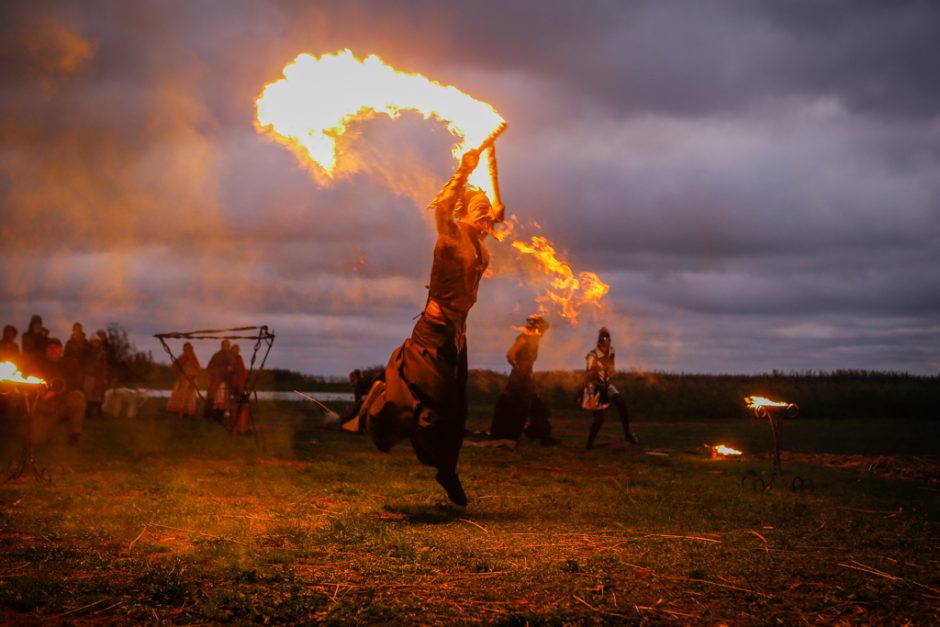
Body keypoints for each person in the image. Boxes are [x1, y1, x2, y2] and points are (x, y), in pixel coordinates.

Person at [358, 148, 502, 506]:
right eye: (479, 210)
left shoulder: (481, 243)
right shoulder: (450, 239)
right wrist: (464, 169)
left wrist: (490, 178)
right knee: (430, 410)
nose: (488, 217)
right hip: (433, 334)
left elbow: (494, 213)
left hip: (456, 338)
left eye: (488, 212)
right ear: (465, 213)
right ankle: (382, 404)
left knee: (456, 414)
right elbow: (442, 210)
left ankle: (447, 472)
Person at [489, 315, 559, 446]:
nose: (543, 333)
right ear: (535, 327)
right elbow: (510, 354)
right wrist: (518, 368)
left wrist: (528, 373)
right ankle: (538, 436)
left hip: (526, 377)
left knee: (535, 407)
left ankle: (541, 435)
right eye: (541, 329)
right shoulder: (523, 338)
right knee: (522, 406)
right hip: (519, 379)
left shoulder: (534, 340)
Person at [582, 327, 638, 450]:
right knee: (599, 419)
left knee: (621, 403)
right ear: (599, 341)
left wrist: (610, 374)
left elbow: (611, 368)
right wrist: (594, 372)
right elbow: (588, 373)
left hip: (606, 385)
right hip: (594, 387)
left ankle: (627, 433)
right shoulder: (592, 356)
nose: (605, 343)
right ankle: (589, 445)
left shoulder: (611, 352)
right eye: (603, 340)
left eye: (607, 340)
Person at [32, 338, 86, 445]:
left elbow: (76, 382)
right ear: (45, 351)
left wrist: (56, 392)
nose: (53, 350)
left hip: (64, 404)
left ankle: (74, 435)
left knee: (77, 396)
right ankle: (47, 431)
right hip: (46, 409)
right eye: (50, 348)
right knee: (36, 440)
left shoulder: (70, 362)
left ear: (61, 350)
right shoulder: (39, 365)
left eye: (56, 348)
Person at [166, 342, 200, 417]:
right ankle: (178, 412)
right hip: (183, 379)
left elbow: (197, 368)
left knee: (190, 397)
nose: (190, 350)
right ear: (184, 349)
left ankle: (188, 412)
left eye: (190, 348)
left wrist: (193, 377)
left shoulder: (194, 358)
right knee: (181, 395)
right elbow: (174, 367)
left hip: (192, 379)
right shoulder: (182, 357)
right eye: (187, 348)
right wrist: (179, 375)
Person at [204, 340, 233, 422]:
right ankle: (208, 416)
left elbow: (235, 368)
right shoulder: (216, 355)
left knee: (222, 401)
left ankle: (219, 418)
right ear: (222, 346)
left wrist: (232, 368)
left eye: (228, 345)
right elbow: (209, 367)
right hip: (215, 381)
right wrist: (209, 378)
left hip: (225, 382)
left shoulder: (231, 356)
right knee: (211, 399)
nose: (226, 347)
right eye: (225, 345)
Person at [82, 334, 110, 418]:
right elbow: (85, 363)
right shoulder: (87, 352)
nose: (95, 343)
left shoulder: (102, 353)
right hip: (88, 375)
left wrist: (103, 377)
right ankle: (88, 413)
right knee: (88, 394)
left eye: (97, 342)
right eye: (93, 342)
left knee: (98, 395)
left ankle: (99, 413)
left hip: (98, 376)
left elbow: (104, 365)